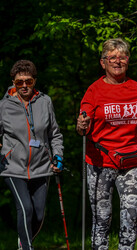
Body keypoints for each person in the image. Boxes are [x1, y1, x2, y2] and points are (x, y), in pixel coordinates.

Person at [76, 38, 137, 250]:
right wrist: (81, 124)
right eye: (112, 57)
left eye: (122, 57)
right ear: (103, 62)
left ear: (128, 60)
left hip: (132, 161)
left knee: (131, 217)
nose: (118, 61)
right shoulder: (94, 90)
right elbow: (82, 127)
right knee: (102, 219)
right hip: (101, 163)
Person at [0, 60, 64, 250]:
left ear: (35, 80)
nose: (24, 86)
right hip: (12, 167)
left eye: (28, 81)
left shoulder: (45, 101)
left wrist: (58, 156)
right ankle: (26, 247)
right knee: (25, 208)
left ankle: (23, 239)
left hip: (42, 166)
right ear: (13, 82)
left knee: (37, 215)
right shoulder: (3, 106)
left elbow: (55, 134)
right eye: (19, 82)